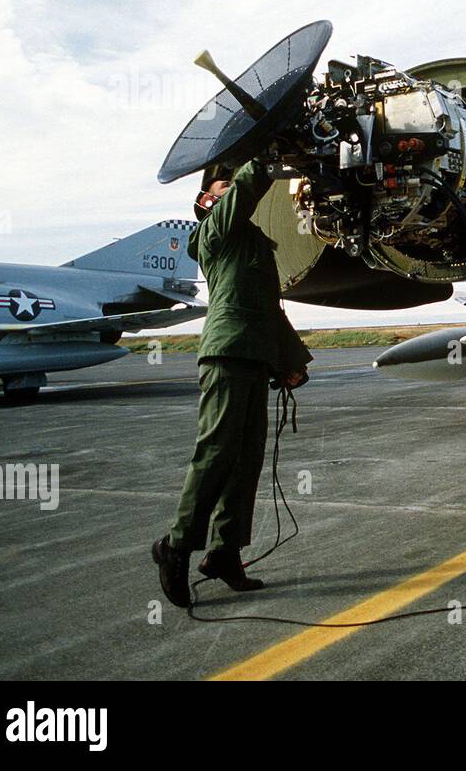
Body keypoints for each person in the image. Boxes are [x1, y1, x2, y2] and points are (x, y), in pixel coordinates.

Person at [152, 159, 311, 608]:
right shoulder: (211, 233)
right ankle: (176, 547)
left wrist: (290, 362)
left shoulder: (253, 244)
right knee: (217, 451)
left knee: (246, 459)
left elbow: (268, 310)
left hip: (254, 356)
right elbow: (242, 190)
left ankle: (224, 553)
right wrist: (262, 155)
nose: (232, 189)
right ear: (206, 200)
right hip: (226, 352)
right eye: (222, 185)